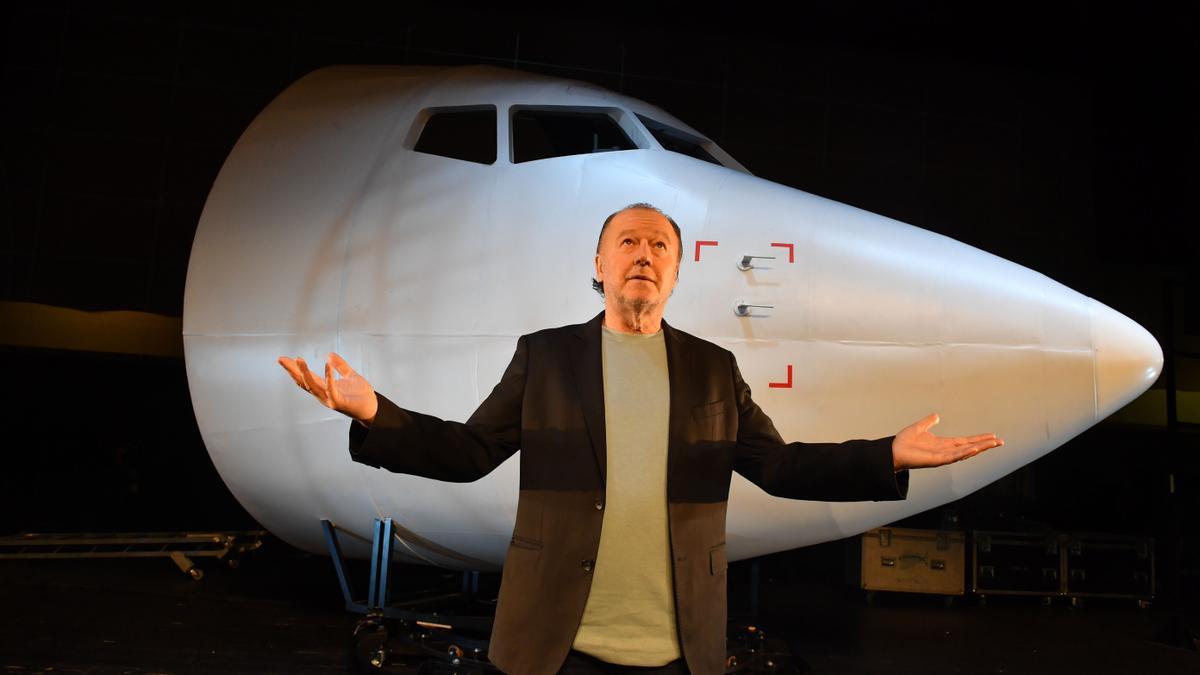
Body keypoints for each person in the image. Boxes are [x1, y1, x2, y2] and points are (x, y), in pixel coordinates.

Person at [278, 203, 1003, 675]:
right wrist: (376, 411)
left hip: (680, 646)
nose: (644, 253)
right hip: (554, 643)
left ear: (677, 272)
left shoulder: (713, 370)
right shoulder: (547, 355)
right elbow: (469, 453)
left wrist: (887, 454)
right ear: (599, 266)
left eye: (660, 244)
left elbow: (778, 466)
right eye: (627, 241)